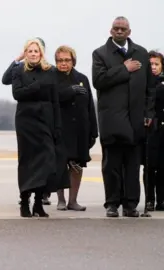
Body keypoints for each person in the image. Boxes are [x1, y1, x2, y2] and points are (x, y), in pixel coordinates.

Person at [92, 16, 154, 217]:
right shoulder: (100, 54)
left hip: (135, 119)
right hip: (112, 120)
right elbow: (99, 80)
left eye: (123, 29)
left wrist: (148, 113)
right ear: (111, 31)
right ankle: (112, 203)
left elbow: (149, 88)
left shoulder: (142, 54)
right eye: (116, 28)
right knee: (112, 165)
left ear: (129, 32)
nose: (119, 31)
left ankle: (130, 204)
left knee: (133, 165)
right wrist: (124, 69)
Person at [11, 38, 63, 218]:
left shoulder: (51, 71)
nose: (33, 54)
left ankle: (39, 202)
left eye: (36, 51)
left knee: (47, 160)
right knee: (27, 161)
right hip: (26, 120)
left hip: (46, 119)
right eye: (30, 51)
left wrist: (57, 125)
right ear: (25, 53)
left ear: (41, 53)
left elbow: (55, 99)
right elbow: (17, 93)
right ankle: (25, 200)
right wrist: (35, 86)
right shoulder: (18, 71)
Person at [53, 45, 98, 211]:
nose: (63, 63)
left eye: (67, 60)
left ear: (73, 61)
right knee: (60, 165)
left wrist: (94, 131)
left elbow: (89, 107)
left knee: (76, 166)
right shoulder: (51, 78)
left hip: (80, 129)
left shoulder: (82, 78)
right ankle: (61, 200)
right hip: (60, 129)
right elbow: (53, 99)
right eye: (60, 60)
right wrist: (69, 91)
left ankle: (73, 200)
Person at [142, 50, 164, 212]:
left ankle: (161, 200)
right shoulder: (142, 83)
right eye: (150, 64)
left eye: (157, 64)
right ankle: (149, 199)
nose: (153, 67)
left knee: (162, 166)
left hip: (162, 127)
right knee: (149, 166)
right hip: (149, 128)